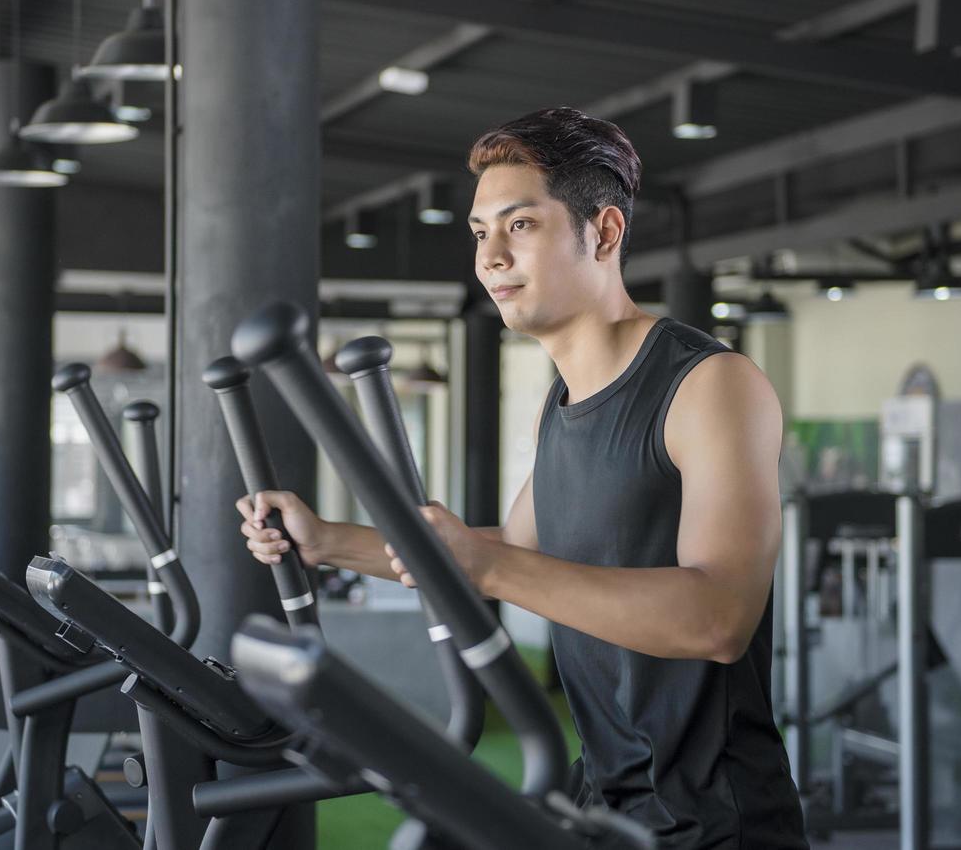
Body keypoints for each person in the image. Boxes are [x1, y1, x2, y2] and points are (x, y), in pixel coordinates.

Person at [237, 107, 807, 848]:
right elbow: (511, 545)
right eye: (480, 233)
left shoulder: (709, 385)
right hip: (601, 799)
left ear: (602, 232)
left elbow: (720, 619)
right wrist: (326, 541)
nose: (490, 256)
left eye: (521, 225)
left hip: (712, 821)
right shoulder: (561, 404)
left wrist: (497, 567)